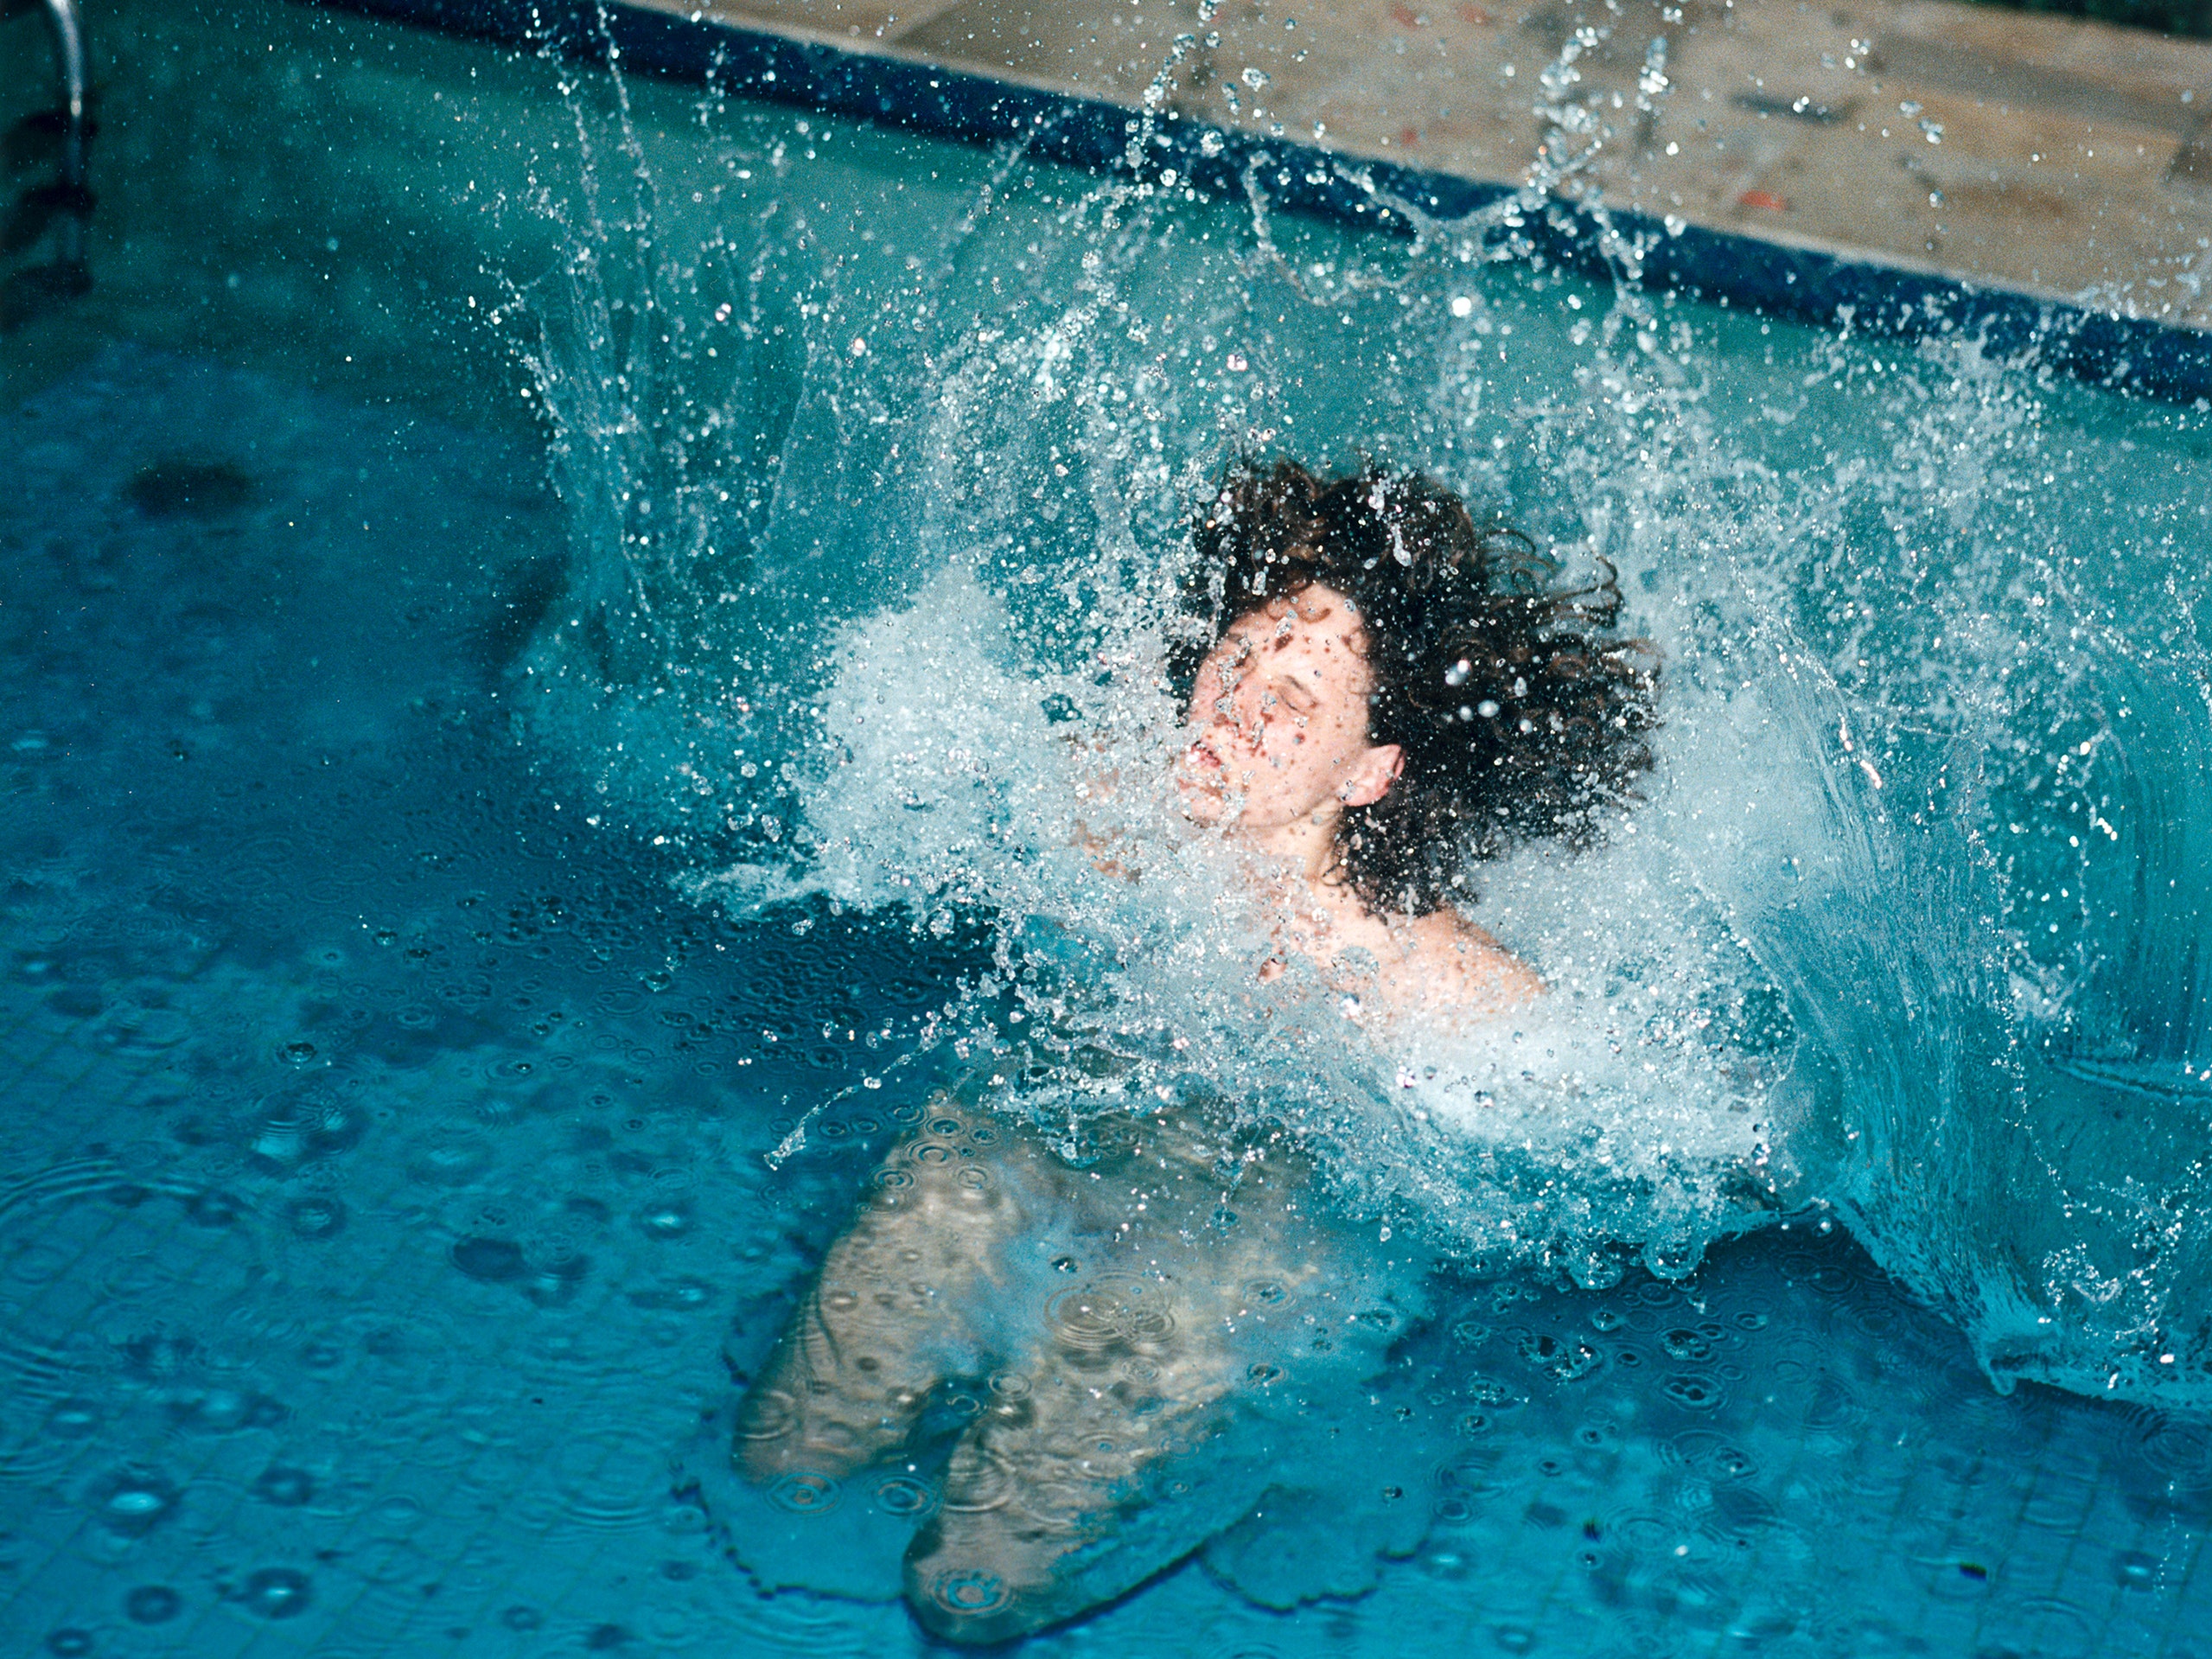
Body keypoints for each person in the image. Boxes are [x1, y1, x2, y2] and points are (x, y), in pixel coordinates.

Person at [726, 459, 1659, 1642]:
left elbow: (1639, 1123)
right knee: (784, 1457)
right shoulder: (1095, 809)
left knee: (975, 1585)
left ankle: (1268, 1460)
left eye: (1296, 696)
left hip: (1217, 1247)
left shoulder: (1425, 975)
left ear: (1371, 771)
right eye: (1241, 653)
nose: (1237, 704)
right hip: (1011, 1151)